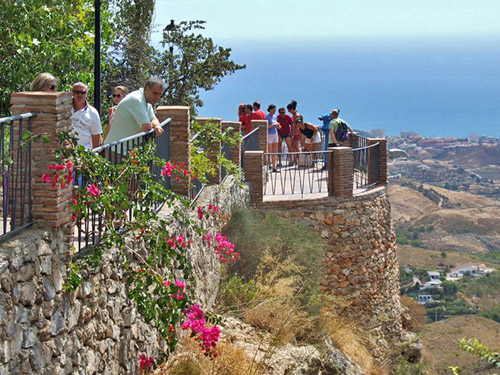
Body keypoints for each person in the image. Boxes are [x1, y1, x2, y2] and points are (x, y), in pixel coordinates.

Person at [105, 77, 165, 143]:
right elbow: (146, 127)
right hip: (117, 149)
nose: (158, 97)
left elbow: (154, 119)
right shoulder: (137, 100)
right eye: (155, 93)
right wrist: (152, 125)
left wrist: (157, 126)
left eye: (160, 94)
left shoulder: (147, 102)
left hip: (126, 148)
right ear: (147, 89)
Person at [70, 82, 102, 149]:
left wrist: (94, 154)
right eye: (76, 92)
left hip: (84, 152)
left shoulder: (93, 112)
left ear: (86, 94)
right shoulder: (65, 108)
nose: (79, 95)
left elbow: (96, 136)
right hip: (66, 152)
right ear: (72, 93)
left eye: (82, 92)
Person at [266, 104, 280, 172]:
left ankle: (274, 166)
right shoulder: (267, 117)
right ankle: (269, 164)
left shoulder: (275, 117)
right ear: (270, 110)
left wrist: (278, 126)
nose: (274, 111)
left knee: (275, 151)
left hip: (275, 134)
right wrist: (274, 125)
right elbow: (267, 126)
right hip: (269, 135)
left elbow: (277, 124)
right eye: (273, 110)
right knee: (270, 151)